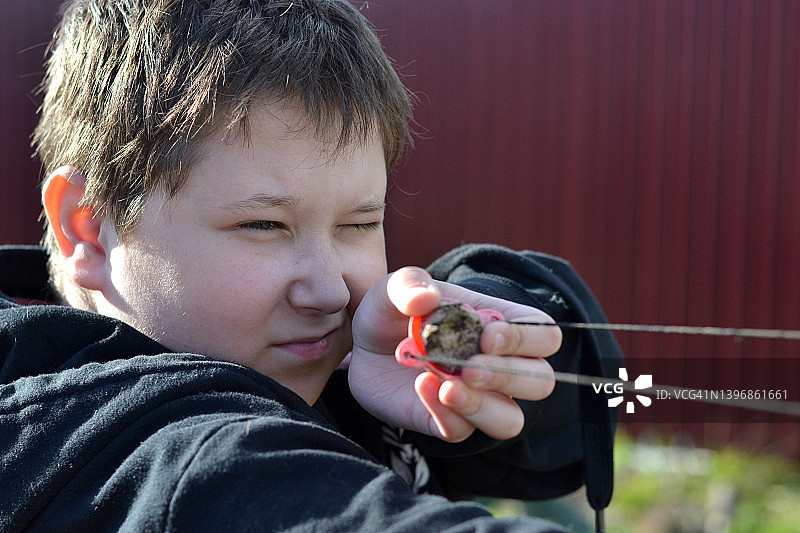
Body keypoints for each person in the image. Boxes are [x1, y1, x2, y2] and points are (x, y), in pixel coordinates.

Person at [0, 1, 623, 531]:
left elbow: (583, 411)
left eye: (358, 224)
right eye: (264, 225)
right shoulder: (166, 458)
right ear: (87, 226)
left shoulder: (322, 368)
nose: (329, 291)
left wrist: (470, 353)